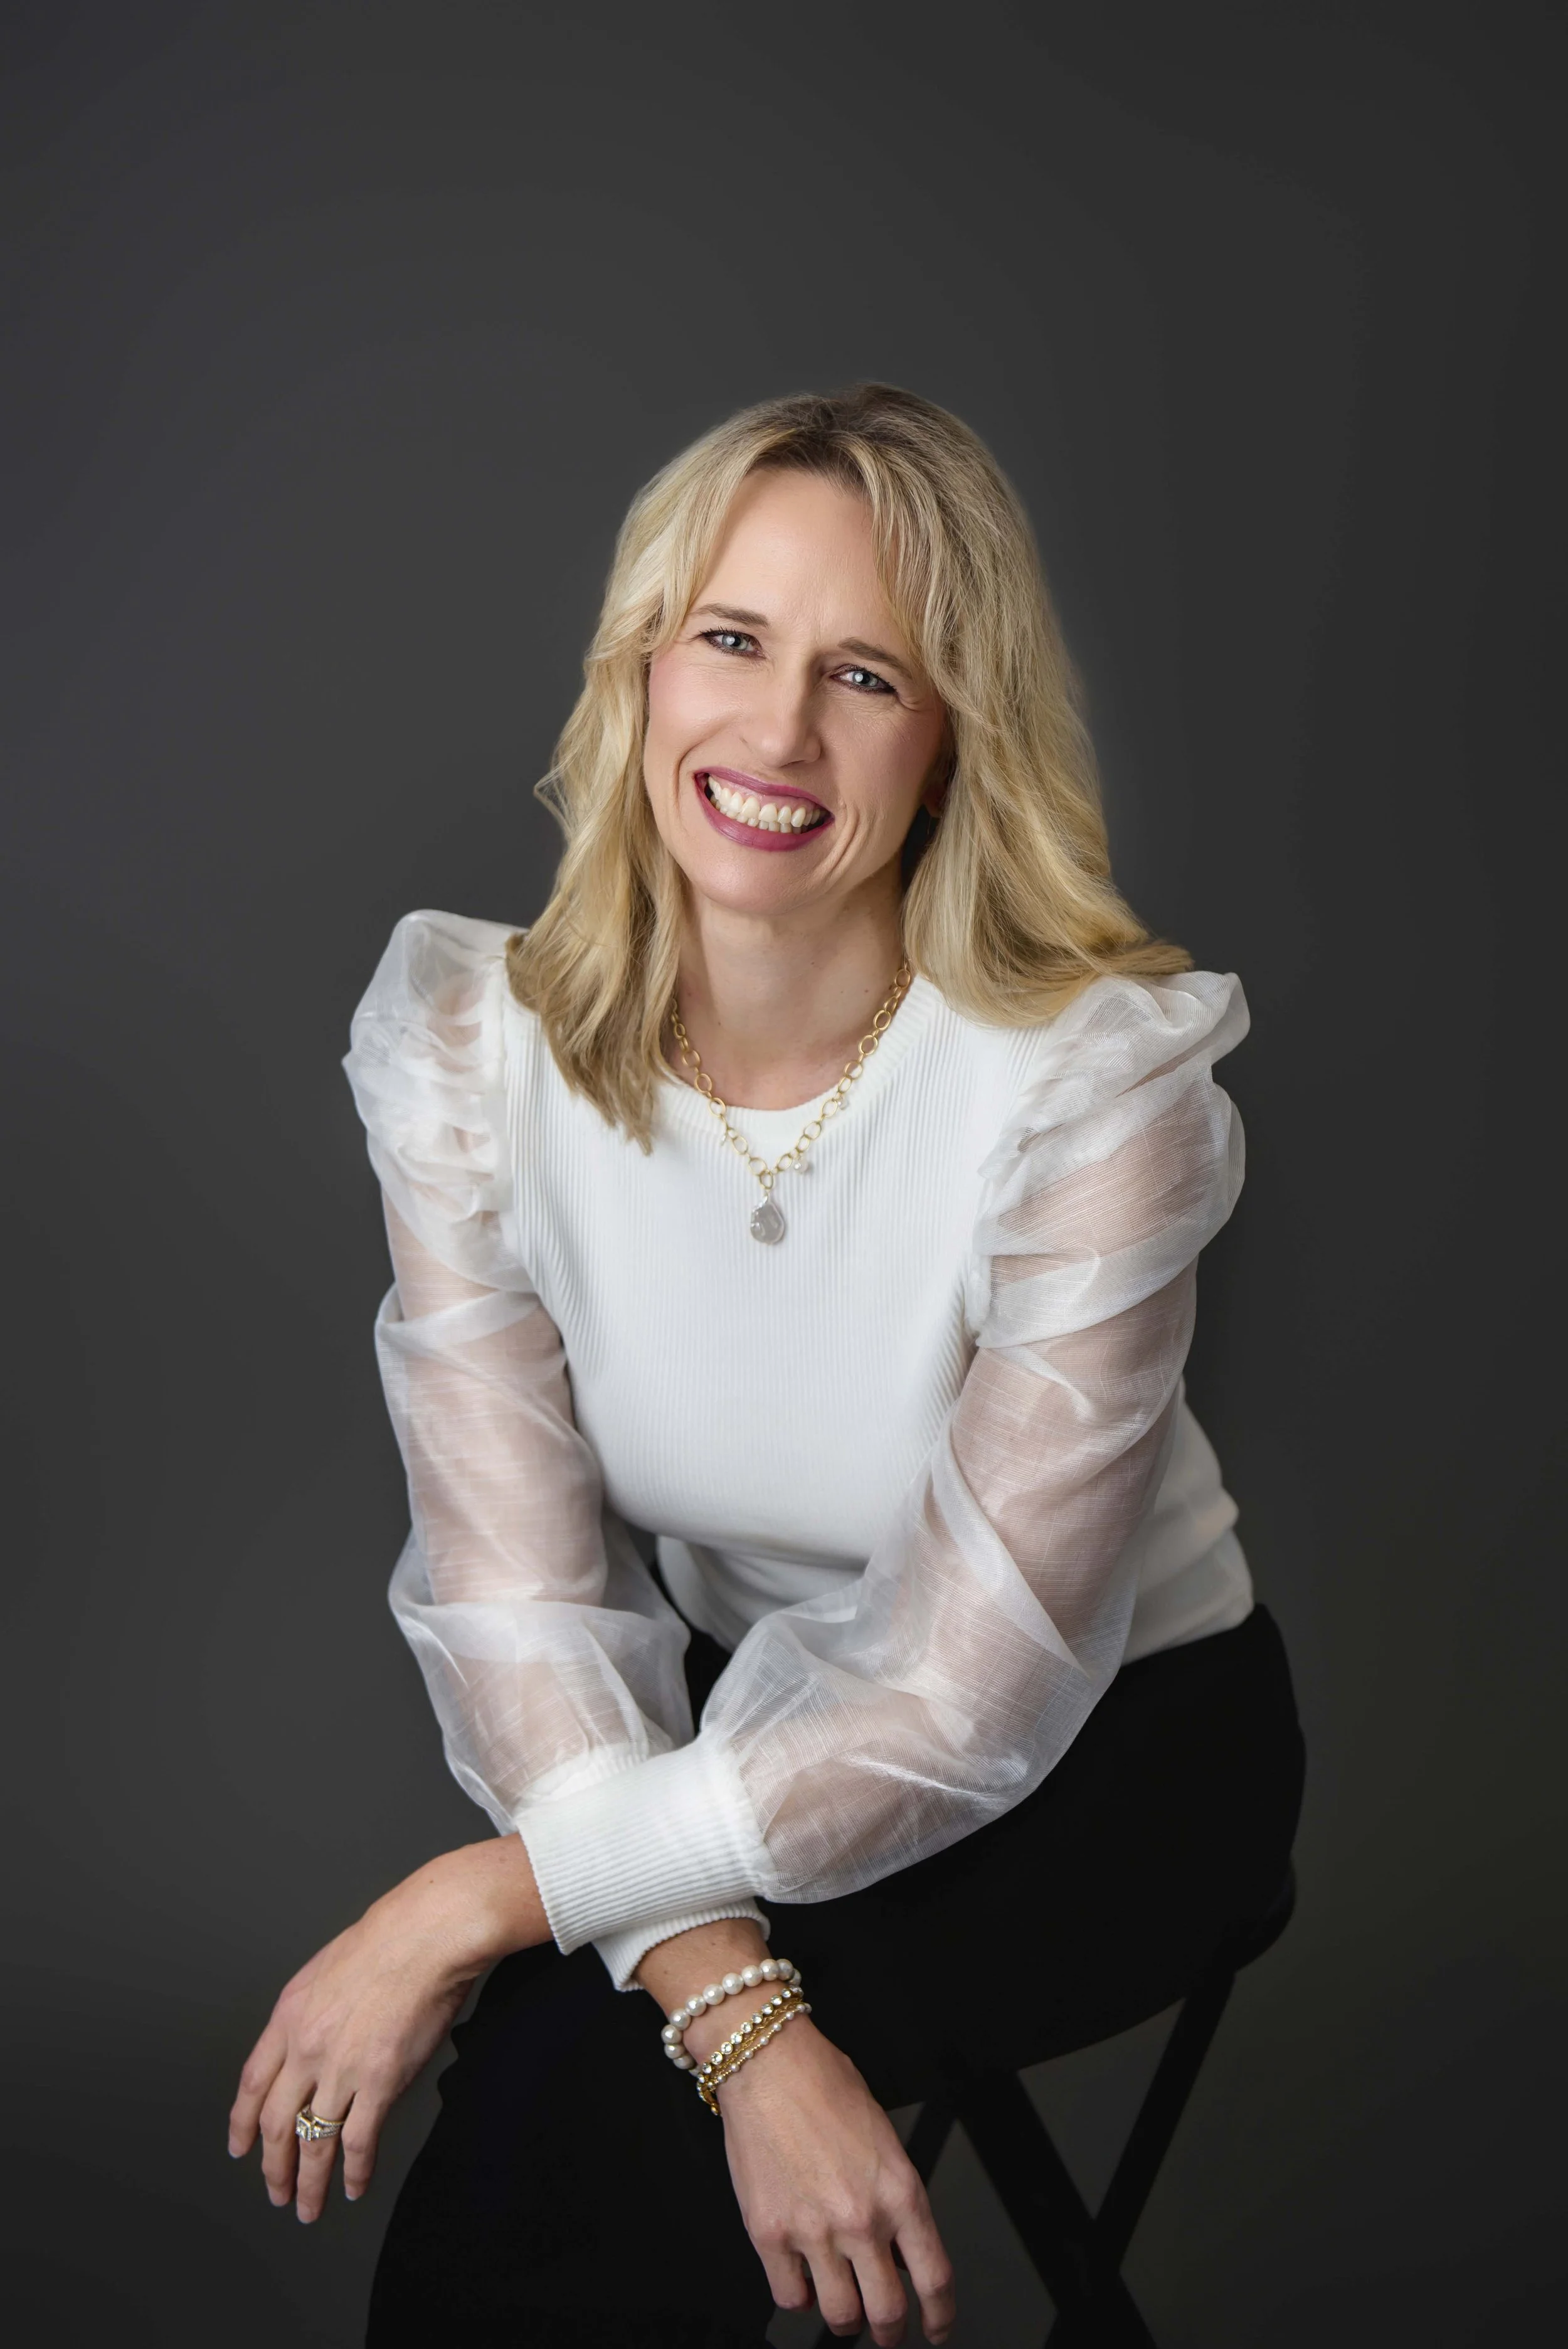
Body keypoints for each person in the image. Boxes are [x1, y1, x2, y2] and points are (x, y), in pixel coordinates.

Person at [228, 383, 1305, 2349]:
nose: (778, 734)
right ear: (639, 668)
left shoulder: (1088, 1092)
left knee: (572, 2101)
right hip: (739, 1738)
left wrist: (479, 1899)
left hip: (1114, 1748)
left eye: (866, 675)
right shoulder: (473, 1059)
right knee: (572, 2105)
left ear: (949, 735)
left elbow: (975, 1683)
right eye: (731, 640)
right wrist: (736, 2013)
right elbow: (524, 1602)